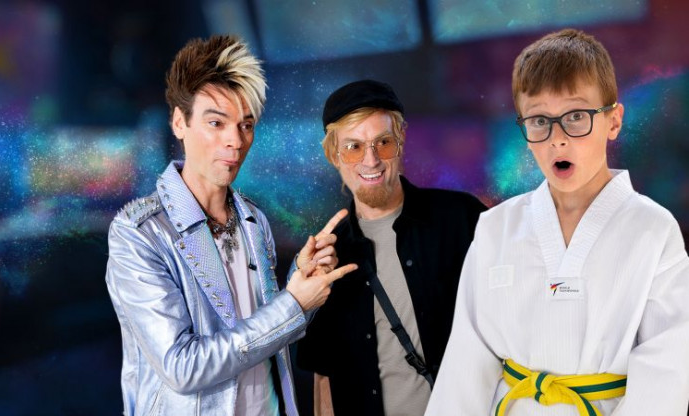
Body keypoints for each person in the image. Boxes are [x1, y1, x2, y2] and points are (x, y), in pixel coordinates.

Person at [425, 28, 689, 416]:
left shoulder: (653, 230)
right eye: (539, 121)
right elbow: (466, 366)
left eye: (576, 116)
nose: (557, 139)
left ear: (613, 120)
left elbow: (666, 373)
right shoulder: (495, 228)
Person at [105, 35, 356, 416]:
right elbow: (182, 367)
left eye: (246, 125)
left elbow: (268, 332)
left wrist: (301, 281)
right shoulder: (139, 233)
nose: (235, 141)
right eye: (216, 123)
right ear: (179, 122)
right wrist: (293, 304)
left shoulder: (253, 220)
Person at [294, 79, 487, 415]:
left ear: (400, 140)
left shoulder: (463, 219)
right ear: (333, 154)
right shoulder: (325, 259)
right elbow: (324, 377)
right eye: (353, 147)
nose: (371, 161)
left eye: (382, 142)